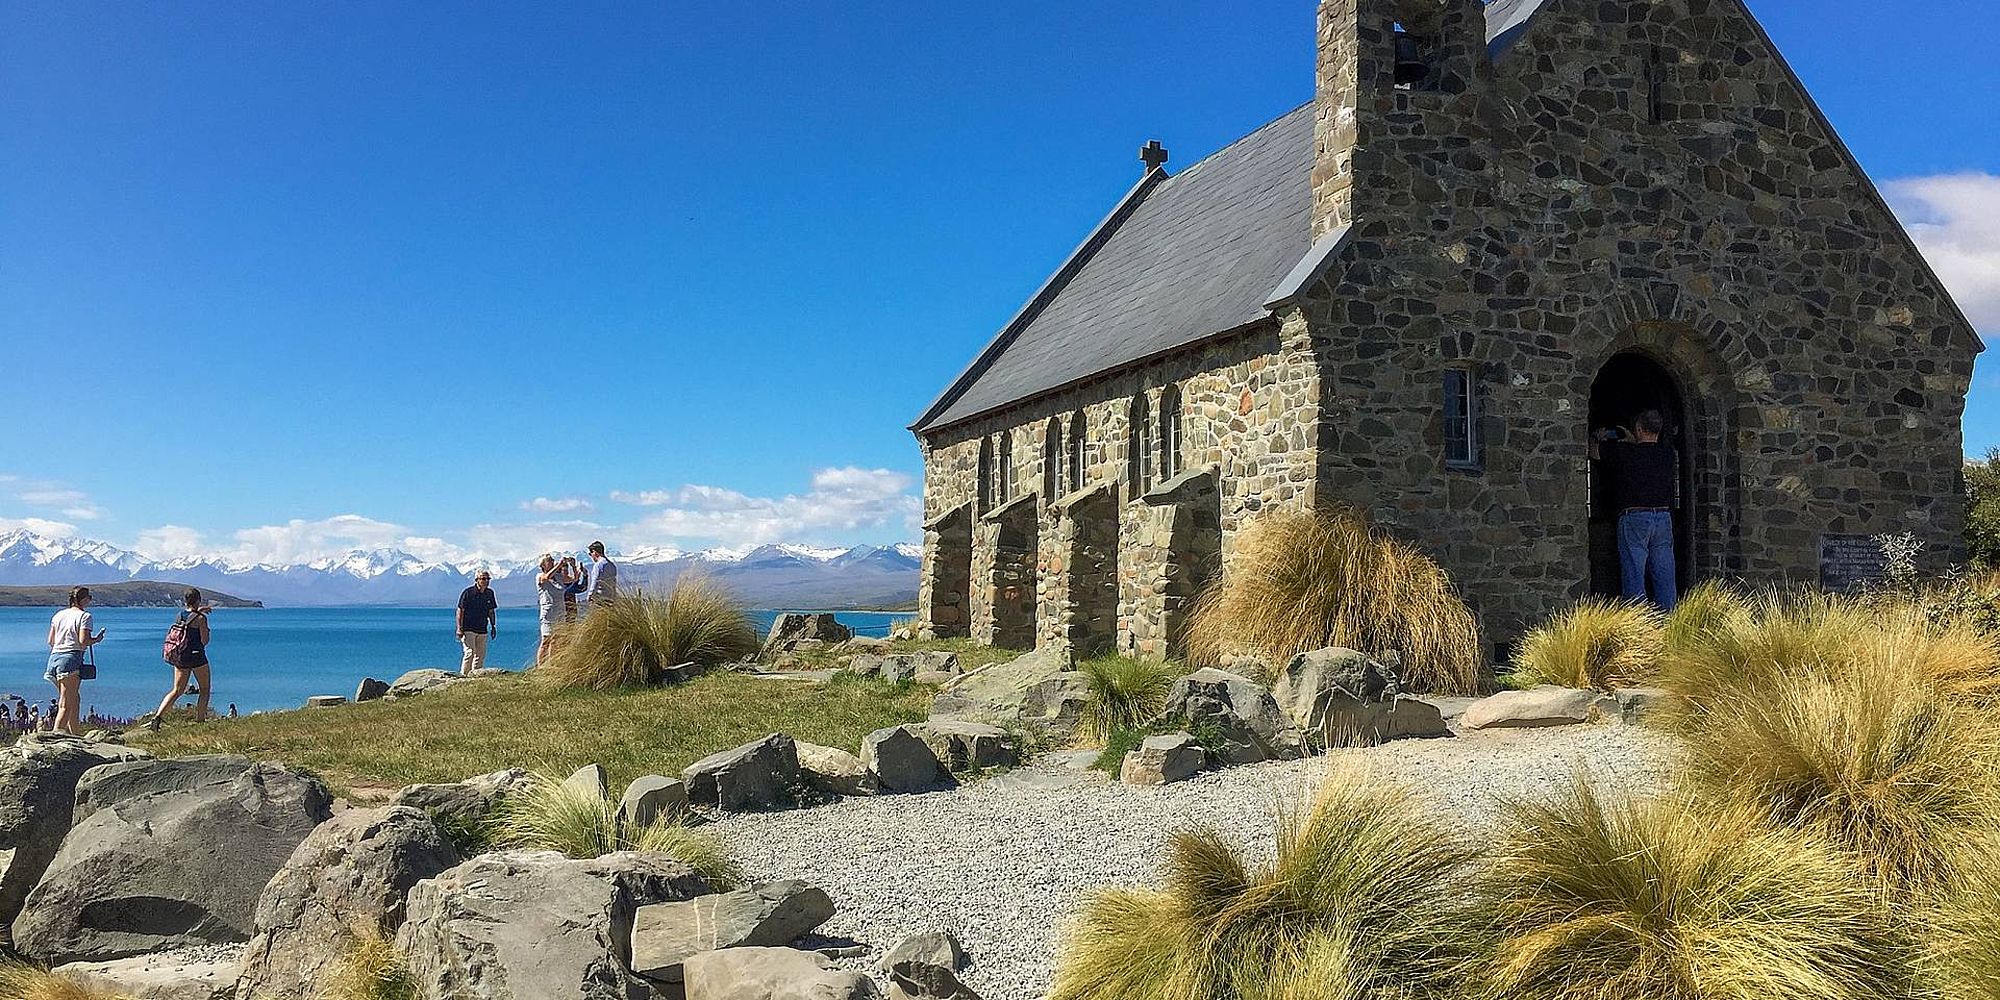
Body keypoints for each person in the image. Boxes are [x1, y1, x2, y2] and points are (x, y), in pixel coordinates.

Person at [1593, 409, 1679, 611]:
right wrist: (1634, 439)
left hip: (1635, 518)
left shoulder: (1624, 453)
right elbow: (1647, 450)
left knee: (1634, 576)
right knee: (1665, 577)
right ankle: (1669, 624)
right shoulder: (1667, 454)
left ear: (1639, 429)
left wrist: (1598, 436)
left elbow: (1594, 452)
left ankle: (1637, 626)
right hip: (1663, 518)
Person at [148, 588, 214, 731]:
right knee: (204, 689)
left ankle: (158, 717)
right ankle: (201, 720)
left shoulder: (179, 615)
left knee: (177, 690)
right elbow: (204, 640)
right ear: (198, 600)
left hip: (181, 656)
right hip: (197, 656)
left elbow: (190, 617)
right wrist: (207, 629)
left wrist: (200, 610)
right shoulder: (201, 618)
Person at [44, 586, 106, 736]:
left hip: (54, 659)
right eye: (89, 598)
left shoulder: (58, 615)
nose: (90, 601)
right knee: (65, 703)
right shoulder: (85, 617)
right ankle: (55, 737)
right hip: (71, 660)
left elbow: (50, 641)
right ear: (83, 600)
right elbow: (83, 640)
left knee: (74, 699)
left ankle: (75, 735)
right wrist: (97, 639)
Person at [533, 554, 575, 665]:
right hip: (548, 612)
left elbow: (573, 579)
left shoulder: (559, 577)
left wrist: (573, 567)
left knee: (556, 640)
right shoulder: (539, 576)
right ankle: (541, 665)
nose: (552, 562)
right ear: (543, 564)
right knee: (546, 640)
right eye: (549, 561)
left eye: (552, 560)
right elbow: (546, 578)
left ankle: (552, 663)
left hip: (560, 611)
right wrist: (559, 565)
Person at [455, 570, 499, 676]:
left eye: (488, 579)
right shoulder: (468, 593)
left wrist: (493, 626)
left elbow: (491, 611)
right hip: (468, 628)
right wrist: (459, 628)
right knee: (469, 652)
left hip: (482, 628)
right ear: (477, 580)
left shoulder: (490, 593)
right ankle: (464, 675)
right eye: (483, 579)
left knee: (480, 654)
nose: (486, 581)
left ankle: (476, 676)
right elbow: (460, 610)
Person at [581, 541, 618, 614]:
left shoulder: (598, 565)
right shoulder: (612, 565)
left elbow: (595, 582)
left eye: (590, 554)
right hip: (611, 598)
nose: (591, 556)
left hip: (600, 599)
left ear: (594, 552)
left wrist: (590, 596)